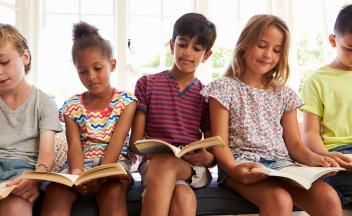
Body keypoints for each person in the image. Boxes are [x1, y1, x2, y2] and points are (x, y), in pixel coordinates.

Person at [201, 14, 342, 216]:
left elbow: (295, 145)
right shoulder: (223, 88)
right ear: (244, 44)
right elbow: (219, 142)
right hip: (242, 164)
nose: (268, 55)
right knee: (279, 200)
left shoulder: (285, 94)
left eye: (276, 50)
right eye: (262, 45)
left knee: (328, 198)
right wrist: (233, 169)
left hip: (282, 166)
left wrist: (315, 159)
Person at [40, 21, 137, 216]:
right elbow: (74, 145)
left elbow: (117, 141)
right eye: (82, 71)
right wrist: (77, 174)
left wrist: (98, 177)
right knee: (55, 191)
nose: (91, 77)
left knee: (113, 190)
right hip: (79, 165)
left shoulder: (126, 102)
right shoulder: (72, 105)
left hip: (113, 164)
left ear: (112, 65)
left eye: (97, 68)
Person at [129, 13, 217, 216]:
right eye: (183, 44)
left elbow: (213, 155)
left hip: (192, 168)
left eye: (196, 48)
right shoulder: (146, 84)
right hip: (154, 165)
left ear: (207, 55)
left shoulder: (206, 95)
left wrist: (207, 157)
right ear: (172, 45)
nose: (187, 53)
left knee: (166, 164)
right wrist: (150, 149)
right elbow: (135, 143)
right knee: (183, 198)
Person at [0, 23, 62, 216]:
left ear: (25, 57)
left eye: (3, 61)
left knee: (15, 209)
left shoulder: (44, 102)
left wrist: (34, 179)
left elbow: (46, 155)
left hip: (21, 173)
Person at [300, 4, 352, 209]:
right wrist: (326, 157)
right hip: (337, 155)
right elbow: (309, 133)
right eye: (350, 48)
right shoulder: (316, 80)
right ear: (333, 41)